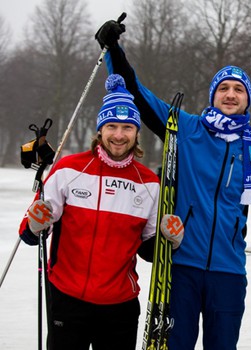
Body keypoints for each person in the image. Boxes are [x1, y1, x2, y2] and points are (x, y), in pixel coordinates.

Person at [95, 20, 251, 350]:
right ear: (213, 96)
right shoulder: (185, 127)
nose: (230, 94)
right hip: (180, 266)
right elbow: (138, 94)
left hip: (228, 271)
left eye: (238, 89)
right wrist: (113, 49)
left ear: (247, 100)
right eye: (223, 88)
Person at [18, 74, 184, 350]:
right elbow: (29, 234)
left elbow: (150, 252)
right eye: (112, 126)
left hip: (120, 308)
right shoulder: (69, 169)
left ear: (136, 133)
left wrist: (171, 240)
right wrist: (36, 224)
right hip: (67, 300)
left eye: (127, 128)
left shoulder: (149, 183)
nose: (119, 135)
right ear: (100, 129)